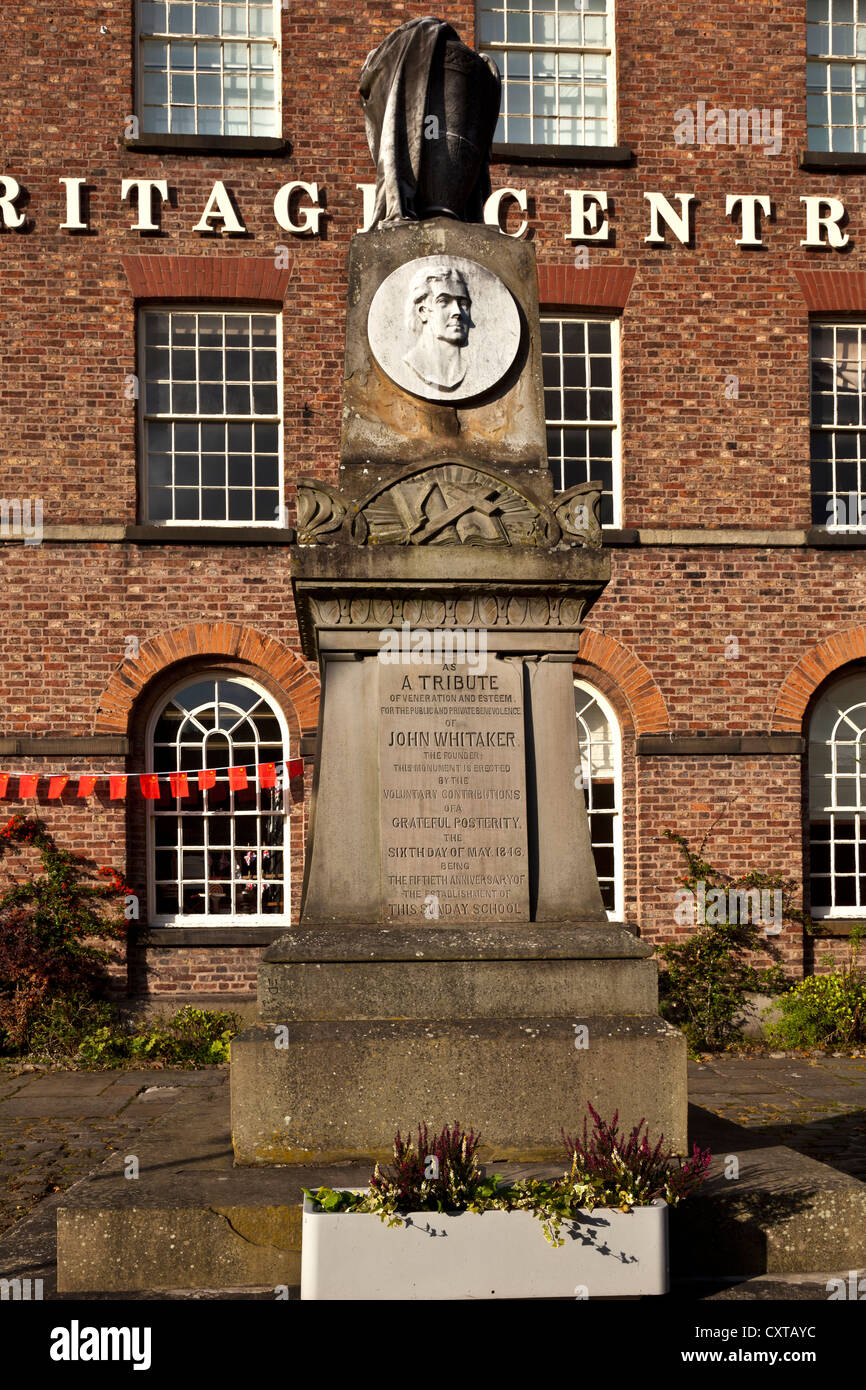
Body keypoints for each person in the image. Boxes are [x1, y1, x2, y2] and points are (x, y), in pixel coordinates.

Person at [403, 264, 475, 392]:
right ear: (423, 311)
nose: (457, 312)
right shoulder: (410, 363)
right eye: (444, 302)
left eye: (463, 304)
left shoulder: (473, 368)